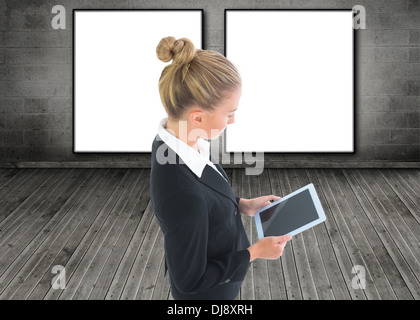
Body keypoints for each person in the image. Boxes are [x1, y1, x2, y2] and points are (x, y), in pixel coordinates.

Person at [150, 36, 292, 300]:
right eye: (229, 113)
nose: (234, 119)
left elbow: (205, 197)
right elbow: (191, 281)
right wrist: (255, 252)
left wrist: (241, 204)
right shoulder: (182, 192)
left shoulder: (178, 140)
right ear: (198, 117)